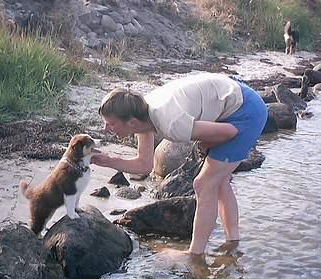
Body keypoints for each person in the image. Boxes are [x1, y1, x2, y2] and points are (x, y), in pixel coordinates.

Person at [91, 72, 267, 255]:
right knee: (218, 181)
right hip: (232, 95)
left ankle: (195, 255)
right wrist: (108, 161)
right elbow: (144, 165)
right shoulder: (141, 113)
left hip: (246, 112)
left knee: (204, 184)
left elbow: (230, 132)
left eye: (110, 123)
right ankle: (233, 242)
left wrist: (206, 143)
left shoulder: (171, 123)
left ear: (132, 123)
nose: (105, 129)